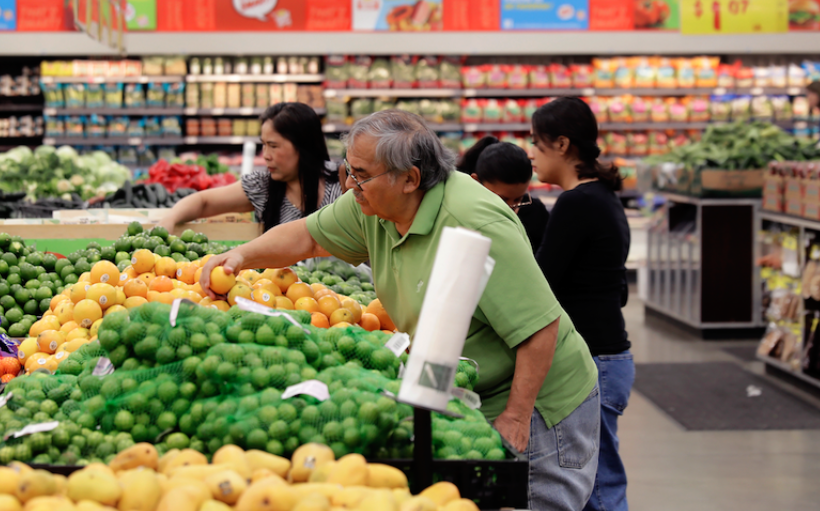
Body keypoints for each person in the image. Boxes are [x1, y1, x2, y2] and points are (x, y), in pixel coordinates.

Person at [200, 110, 600, 511]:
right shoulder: (375, 204)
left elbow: (539, 327)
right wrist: (239, 256)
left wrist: (516, 418)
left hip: (540, 403)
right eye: (348, 171)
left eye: (361, 174)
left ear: (410, 178)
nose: (350, 185)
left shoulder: (472, 222)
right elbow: (307, 237)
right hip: (472, 391)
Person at [529, 97, 633, 511]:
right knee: (592, 481)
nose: (531, 154)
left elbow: (541, 281)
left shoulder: (578, 203)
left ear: (562, 144)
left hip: (596, 358)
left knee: (600, 485)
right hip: (610, 353)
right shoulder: (603, 197)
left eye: (537, 144)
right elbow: (618, 288)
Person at [158, 102, 342, 233]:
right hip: (279, 286)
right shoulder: (262, 187)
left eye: (274, 146)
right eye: (264, 144)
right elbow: (203, 202)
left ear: (303, 147)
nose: (266, 154)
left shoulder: (343, 184)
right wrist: (169, 220)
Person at [457, 136, 549, 253]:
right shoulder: (461, 219)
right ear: (476, 182)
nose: (510, 210)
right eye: (502, 200)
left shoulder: (534, 214)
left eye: (517, 200)